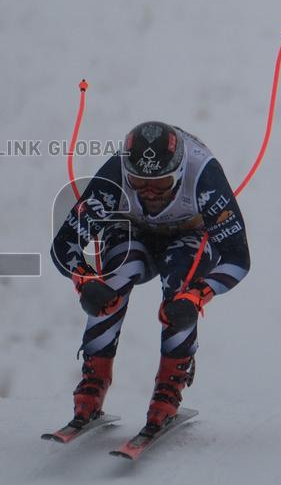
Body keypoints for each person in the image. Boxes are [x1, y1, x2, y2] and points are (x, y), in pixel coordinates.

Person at [50, 121, 250, 432]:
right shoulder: (114, 174)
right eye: (138, 183)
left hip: (189, 237)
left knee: (180, 283)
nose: (149, 193)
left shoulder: (204, 175)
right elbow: (64, 244)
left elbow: (238, 259)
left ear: (181, 171)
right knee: (118, 274)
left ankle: (168, 392)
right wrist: (86, 282)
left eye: (161, 184)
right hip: (131, 232)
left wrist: (198, 296)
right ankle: (93, 384)